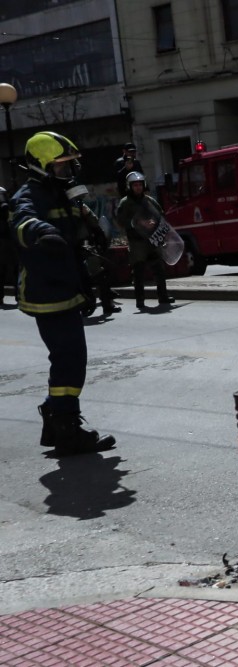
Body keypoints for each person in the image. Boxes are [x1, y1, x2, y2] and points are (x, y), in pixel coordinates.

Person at [7, 130, 116, 454]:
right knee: (70, 358)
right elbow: (21, 221)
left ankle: (55, 416)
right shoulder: (29, 195)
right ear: (41, 166)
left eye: (70, 166)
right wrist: (42, 232)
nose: (67, 172)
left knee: (67, 357)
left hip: (67, 283)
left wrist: (95, 229)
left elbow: (79, 222)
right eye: (60, 166)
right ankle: (66, 426)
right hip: (45, 288)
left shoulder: (62, 193)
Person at [115, 171, 174, 309]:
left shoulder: (149, 200)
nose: (138, 187)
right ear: (130, 186)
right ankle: (140, 301)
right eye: (135, 185)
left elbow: (161, 215)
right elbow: (120, 221)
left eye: (140, 185)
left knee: (159, 269)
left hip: (152, 240)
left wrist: (155, 222)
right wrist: (139, 223)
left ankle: (163, 296)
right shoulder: (125, 203)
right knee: (139, 272)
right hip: (137, 242)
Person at [0, 186, 17, 307]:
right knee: (14, 267)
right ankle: (19, 295)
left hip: (7, 240)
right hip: (7, 240)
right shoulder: (6, 206)